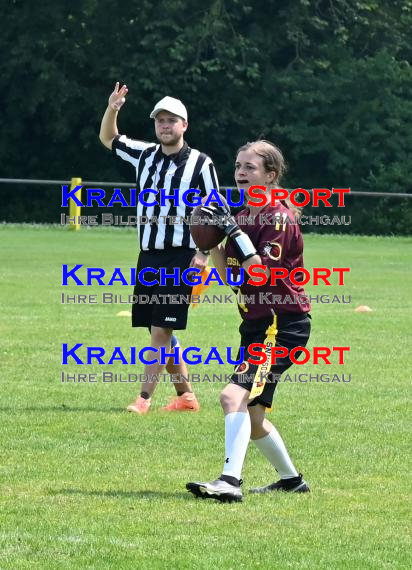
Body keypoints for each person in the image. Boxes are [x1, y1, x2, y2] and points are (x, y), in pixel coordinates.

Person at [186, 140, 311, 502]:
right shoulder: (241, 216)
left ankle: (229, 481)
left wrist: (235, 234)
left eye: (250, 167)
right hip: (258, 324)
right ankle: (292, 481)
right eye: (238, 166)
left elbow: (259, 276)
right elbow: (232, 277)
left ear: (271, 175)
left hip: (281, 324)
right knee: (253, 418)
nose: (241, 173)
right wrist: (209, 245)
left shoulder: (278, 218)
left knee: (231, 397)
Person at [99, 83, 219, 414]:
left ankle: (143, 398)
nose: (165, 126)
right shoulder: (145, 155)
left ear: (184, 125)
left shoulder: (200, 163)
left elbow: (215, 211)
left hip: (183, 255)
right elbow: (109, 139)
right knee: (158, 327)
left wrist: (204, 254)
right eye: (160, 121)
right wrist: (114, 108)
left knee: (163, 327)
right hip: (149, 255)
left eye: (171, 120)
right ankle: (186, 397)